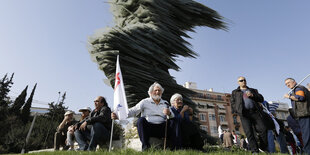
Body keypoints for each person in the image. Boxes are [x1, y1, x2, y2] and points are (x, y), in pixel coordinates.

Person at [111, 82, 174, 151]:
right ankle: (145, 148)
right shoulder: (145, 102)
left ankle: (173, 147)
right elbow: (133, 111)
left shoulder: (165, 103)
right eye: (155, 90)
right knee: (141, 120)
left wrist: (169, 113)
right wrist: (119, 115)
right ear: (150, 92)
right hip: (149, 127)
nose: (157, 92)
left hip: (162, 127)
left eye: (159, 90)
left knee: (173, 122)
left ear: (161, 92)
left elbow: (172, 115)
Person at [231, 76, 268, 153]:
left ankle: (263, 147)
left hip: (255, 112)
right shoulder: (235, 92)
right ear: (238, 82)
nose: (243, 81)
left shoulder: (253, 90)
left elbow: (261, 98)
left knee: (263, 129)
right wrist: (236, 111)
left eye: (244, 80)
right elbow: (233, 103)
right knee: (249, 133)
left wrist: (253, 95)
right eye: (241, 80)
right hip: (244, 114)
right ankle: (255, 150)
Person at [284, 78, 310, 154]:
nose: (288, 85)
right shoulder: (299, 88)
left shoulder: (298, 88)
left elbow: (300, 97)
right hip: (305, 114)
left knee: (306, 136)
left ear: (294, 82)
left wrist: (288, 97)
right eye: (286, 84)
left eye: (289, 82)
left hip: (304, 114)